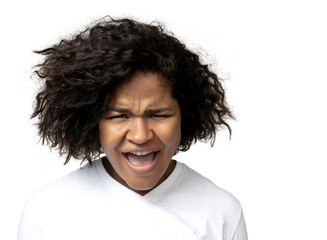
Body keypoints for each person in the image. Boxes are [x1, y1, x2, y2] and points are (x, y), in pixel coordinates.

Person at [18, 17, 248, 240]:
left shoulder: (221, 212)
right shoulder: (47, 211)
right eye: (120, 116)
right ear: (92, 119)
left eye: (158, 114)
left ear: (184, 114)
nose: (140, 135)